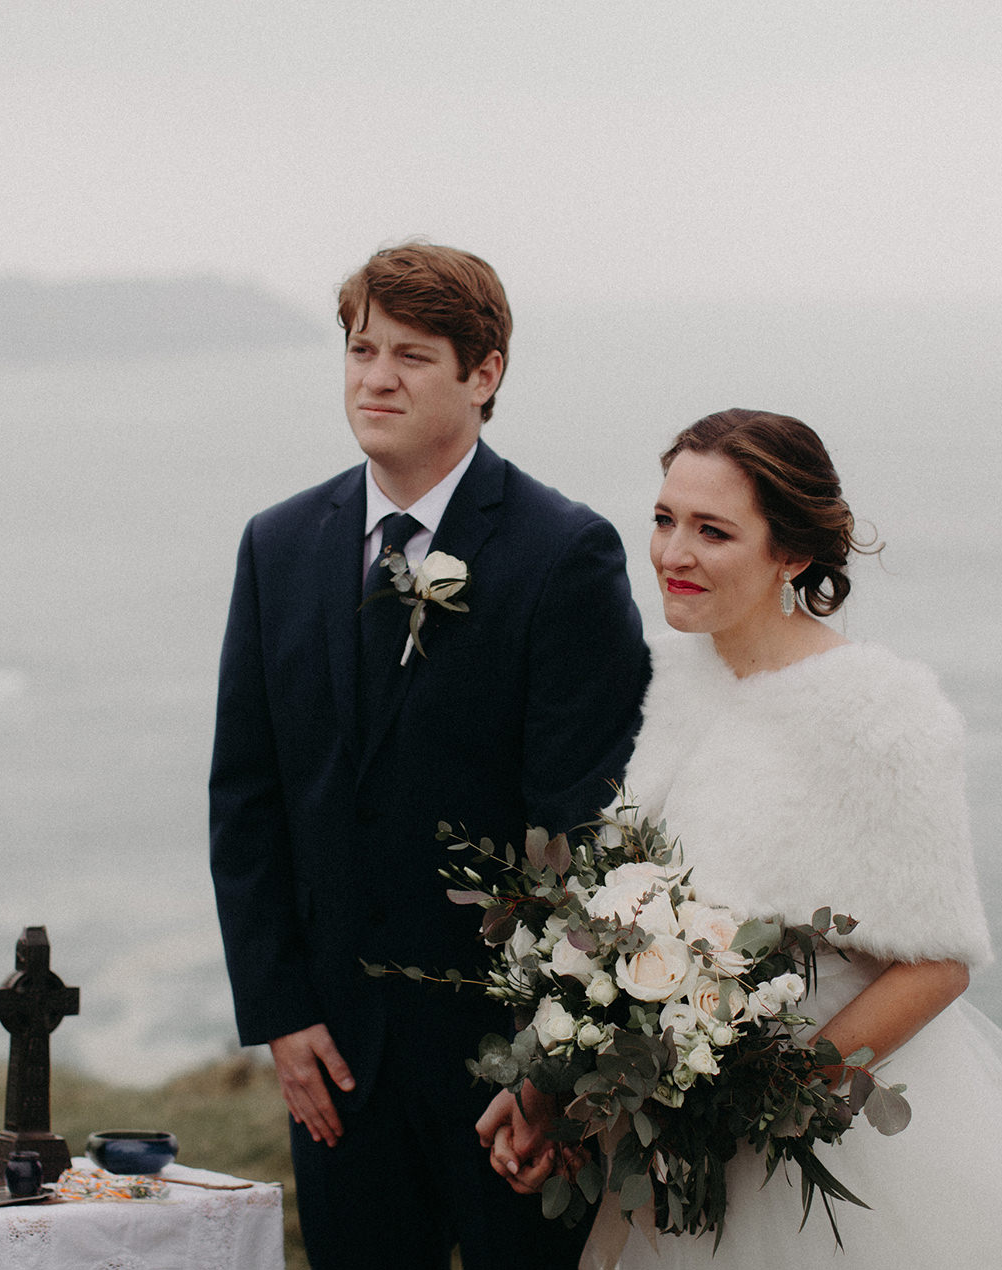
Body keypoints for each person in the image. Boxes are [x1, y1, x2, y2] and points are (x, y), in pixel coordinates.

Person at [479, 408, 1002, 1266]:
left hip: (820, 1162)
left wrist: (754, 1107)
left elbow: (938, 963)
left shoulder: (881, 717)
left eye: (712, 531)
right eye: (664, 518)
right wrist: (558, 1085)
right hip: (677, 1157)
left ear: (791, 553)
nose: (672, 553)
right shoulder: (684, 672)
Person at [208, 242, 650, 1269]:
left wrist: (550, 1068)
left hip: (507, 1077)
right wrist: (280, 1014)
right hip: (335, 1059)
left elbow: (576, 831)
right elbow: (248, 796)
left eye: (411, 354)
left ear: (483, 373)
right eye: (361, 349)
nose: (375, 377)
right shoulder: (276, 544)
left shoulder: (563, 553)